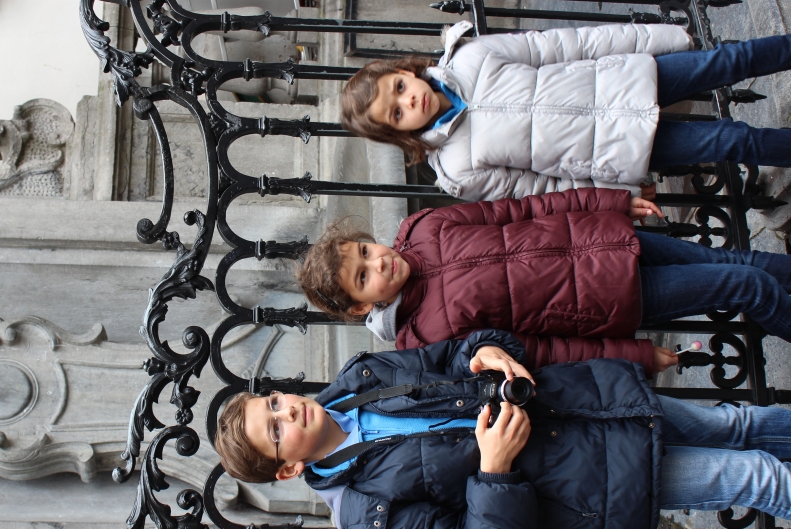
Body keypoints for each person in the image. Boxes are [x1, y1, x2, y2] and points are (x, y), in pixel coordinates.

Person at [214, 330, 791, 529]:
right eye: (276, 430)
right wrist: (494, 472)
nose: (288, 410)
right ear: (286, 470)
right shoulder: (363, 512)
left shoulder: (360, 376)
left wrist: (481, 351)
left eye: (274, 402)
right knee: (756, 477)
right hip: (595, 480)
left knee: (736, 425)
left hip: (589, 403)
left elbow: (448, 355)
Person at [296, 187, 791, 373]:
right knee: (746, 286)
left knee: (737, 263)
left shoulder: (424, 227)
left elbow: (524, 209)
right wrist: (636, 356)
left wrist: (610, 201)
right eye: (364, 276)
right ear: (361, 307)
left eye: (366, 251)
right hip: (616, 298)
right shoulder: (428, 338)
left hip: (609, 238)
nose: (380, 262)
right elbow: (544, 352)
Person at [340, 22, 791, 203]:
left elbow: (569, 43)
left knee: (729, 61)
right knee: (732, 140)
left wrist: (660, 37)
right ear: (398, 134)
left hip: (628, 77)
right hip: (624, 149)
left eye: (399, 88)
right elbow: (544, 191)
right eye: (395, 114)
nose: (408, 101)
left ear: (404, 71)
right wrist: (618, 196)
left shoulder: (471, 57)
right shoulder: (459, 168)